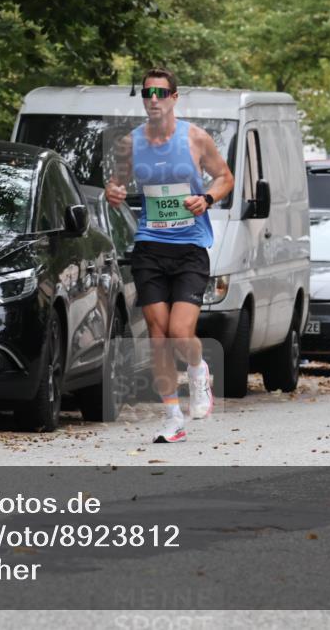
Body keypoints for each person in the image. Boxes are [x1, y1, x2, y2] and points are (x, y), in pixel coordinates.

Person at [105, 67, 235, 443]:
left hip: (190, 247)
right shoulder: (129, 143)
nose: (154, 100)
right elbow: (118, 183)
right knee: (158, 336)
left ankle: (198, 369)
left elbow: (225, 177)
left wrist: (207, 198)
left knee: (180, 333)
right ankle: (172, 417)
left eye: (162, 93)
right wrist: (113, 193)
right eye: (148, 93)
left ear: (175, 98)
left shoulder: (195, 138)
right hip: (149, 246)